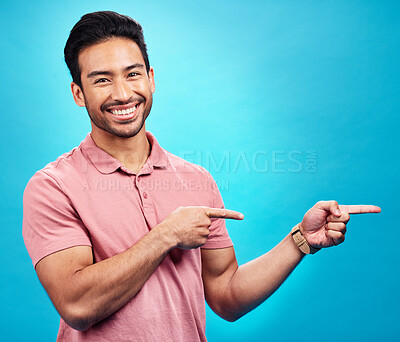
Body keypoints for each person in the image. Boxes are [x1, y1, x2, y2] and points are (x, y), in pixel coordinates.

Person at [22, 11, 381, 342]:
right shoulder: (52, 186)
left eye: (133, 74)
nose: (122, 93)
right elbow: (77, 307)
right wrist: (165, 235)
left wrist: (300, 240)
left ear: (151, 79)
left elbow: (227, 295)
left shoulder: (195, 179)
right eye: (102, 80)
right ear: (78, 94)